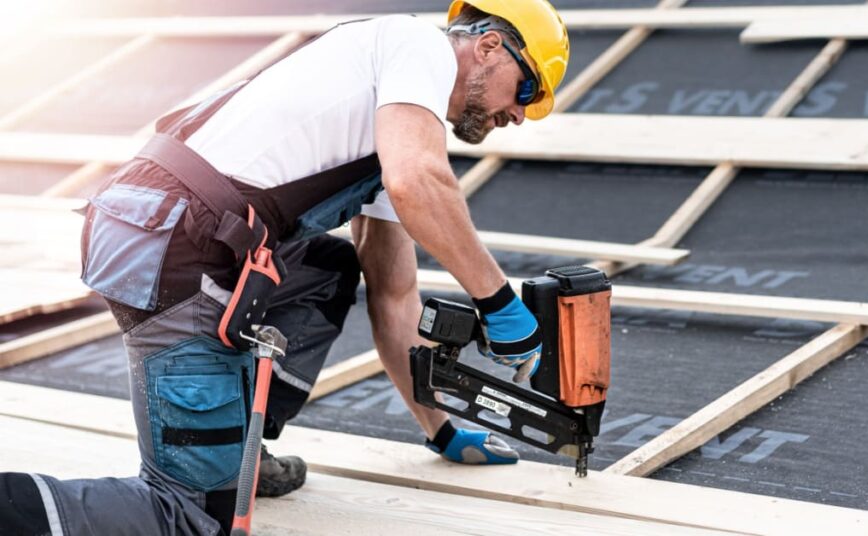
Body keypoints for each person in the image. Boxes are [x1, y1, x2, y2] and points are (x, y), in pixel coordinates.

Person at [0, 1, 570, 534]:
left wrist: (440, 429)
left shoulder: (395, 123)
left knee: (328, 267)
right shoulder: (418, 47)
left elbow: (394, 296)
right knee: (191, 515)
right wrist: (499, 303)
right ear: (489, 45)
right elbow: (418, 179)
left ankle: (243, 444)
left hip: (181, 234)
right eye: (527, 89)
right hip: (173, 247)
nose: (520, 114)